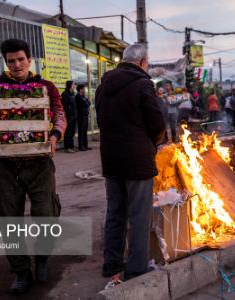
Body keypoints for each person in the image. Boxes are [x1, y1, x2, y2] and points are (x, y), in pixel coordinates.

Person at [0, 38, 66, 293]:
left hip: (40, 163)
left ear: (29, 60)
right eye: (10, 61)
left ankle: (41, 258)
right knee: (8, 219)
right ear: (5, 63)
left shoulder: (46, 86)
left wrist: (55, 137)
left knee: (46, 214)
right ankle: (20, 271)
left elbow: (59, 114)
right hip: (7, 166)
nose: (16, 65)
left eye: (20, 59)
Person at [95, 44, 166, 280]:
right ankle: (136, 267)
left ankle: (112, 263)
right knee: (139, 216)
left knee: (115, 212)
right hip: (137, 161)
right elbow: (157, 124)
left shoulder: (103, 86)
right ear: (143, 61)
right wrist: (153, 143)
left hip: (111, 159)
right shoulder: (143, 84)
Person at [61, 80, 77, 153]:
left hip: (73, 116)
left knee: (72, 132)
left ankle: (71, 146)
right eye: (73, 85)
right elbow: (64, 106)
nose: (74, 86)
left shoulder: (72, 94)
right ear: (70, 85)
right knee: (68, 132)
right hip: (68, 116)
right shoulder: (65, 94)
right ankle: (67, 147)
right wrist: (68, 115)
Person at [75, 83, 91, 151]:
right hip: (81, 116)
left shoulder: (83, 96)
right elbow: (85, 104)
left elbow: (89, 103)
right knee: (81, 131)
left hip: (85, 116)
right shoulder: (78, 96)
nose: (85, 90)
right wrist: (86, 101)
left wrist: (85, 98)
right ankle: (81, 146)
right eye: (84, 89)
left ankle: (85, 145)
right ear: (80, 89)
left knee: (85, 131)